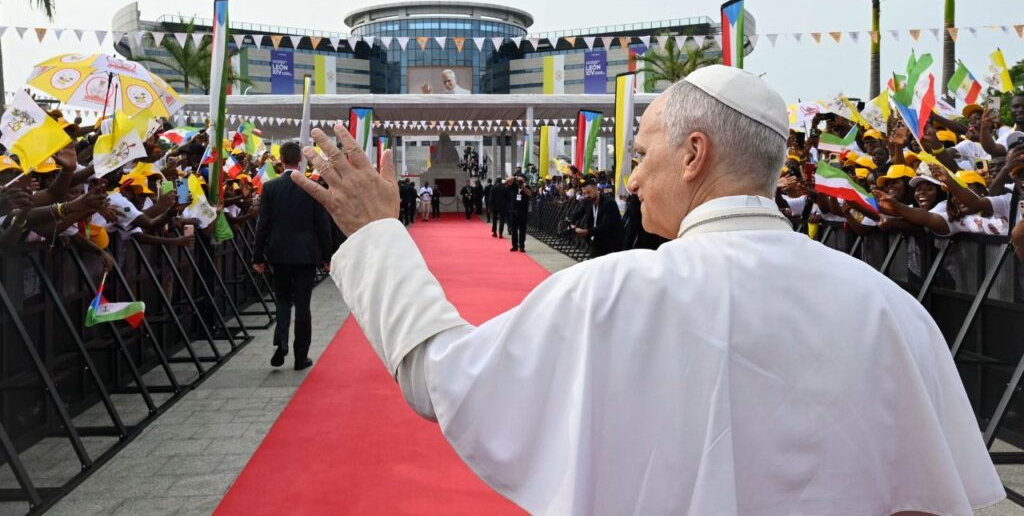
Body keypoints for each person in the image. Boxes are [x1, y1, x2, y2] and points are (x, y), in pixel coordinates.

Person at [292, 67, 1002, 516]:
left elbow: (444, 379)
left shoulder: (614, 290)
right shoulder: (891, 309)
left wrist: (378, 234)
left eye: (639, 156)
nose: (629, 181)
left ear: (695, 155)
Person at [253, 141, 332, 371]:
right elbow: (322, 224)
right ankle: (301, 356)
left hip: (279, 253)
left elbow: (263, 224)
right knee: (303, 305)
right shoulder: (312, 186)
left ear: (281, 160)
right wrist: (328, 256)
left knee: (283, 299)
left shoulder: (270, 188)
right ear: (300, 160)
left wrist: (257, 257)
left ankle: (281, 343)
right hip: (306, 254)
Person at [570, 179, 625, 257]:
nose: (586, 195)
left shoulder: (609, 203)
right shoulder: (587, 202)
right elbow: (577, 214)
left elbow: (605, 226)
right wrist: (571, 222)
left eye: (589, 192)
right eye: (584, 193)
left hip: (611, 242)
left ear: (596, 189)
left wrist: (586, 231)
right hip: (596, 240)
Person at [507, 175, 532, 253]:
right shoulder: (514, 185)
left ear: (524, 180)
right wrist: (515, 178)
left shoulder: (527, 186)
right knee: (514, 229)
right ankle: (514, 246)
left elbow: (529, 194)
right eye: (519, 180)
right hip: (514, 210)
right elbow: (507, 180)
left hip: (523, 211)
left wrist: (523, 187)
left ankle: (521, 246)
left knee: (522, 230)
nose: (520, 181)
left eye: (522, 180)